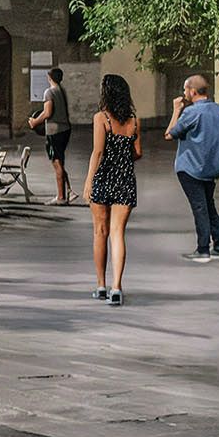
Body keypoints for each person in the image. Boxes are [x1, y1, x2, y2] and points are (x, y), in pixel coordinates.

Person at [85, 73, 143, 305]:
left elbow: (97, 152)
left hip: (103, 178)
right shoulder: (134, 121)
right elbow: (138, 153)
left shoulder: (101, 118)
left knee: (100, 232)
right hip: (125, 179)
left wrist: (89, 180)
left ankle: (100, 285)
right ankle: (116, 286)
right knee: (118, 233)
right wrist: (122, 157)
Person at [168, 74, 219, 264]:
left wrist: (176, 110)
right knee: (209, 205)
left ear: (193, 91)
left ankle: (203, 249)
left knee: (200, 207)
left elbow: (170, 134)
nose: (183, 93)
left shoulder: (191, 113)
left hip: (190, 167)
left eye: (185, 89)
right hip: (212, 167)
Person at [26, 68, 75, 205]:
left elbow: (47, 113)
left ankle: (61, 197)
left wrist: (34, 122)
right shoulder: (62, 90)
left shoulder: (49, 92)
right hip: (66, 129)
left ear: (49, 77)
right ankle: (69, 192)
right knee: (60, 161)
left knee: (56, 162)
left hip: (54, 131)